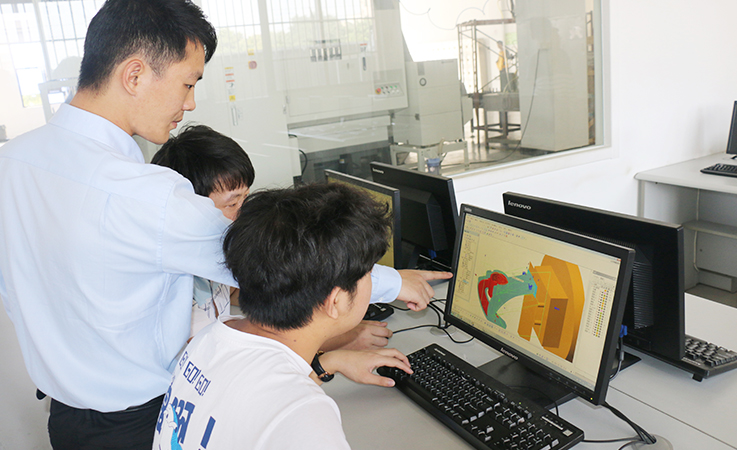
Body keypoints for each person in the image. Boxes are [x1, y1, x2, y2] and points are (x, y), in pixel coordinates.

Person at [0, 0, 447, 447]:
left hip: (66, 421)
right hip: (140, 423)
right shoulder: (142, 195)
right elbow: (273, 260)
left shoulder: (12, 162)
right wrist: (392, 282)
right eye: (188, 83)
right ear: (134, 75)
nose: (190, 103)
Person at [153, 182, 413, 449]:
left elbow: (255, 411)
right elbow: (286, 413)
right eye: (368, 272)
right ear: (335, 301)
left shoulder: (209, 338)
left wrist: (327, 364)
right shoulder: (304, 417)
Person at [151, 124, 254, 338]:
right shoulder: (169, 277)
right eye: (232, 204)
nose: (243, 213)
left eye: (245, 198)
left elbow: (231, 292)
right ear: (189, 207)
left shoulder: (216, 246)